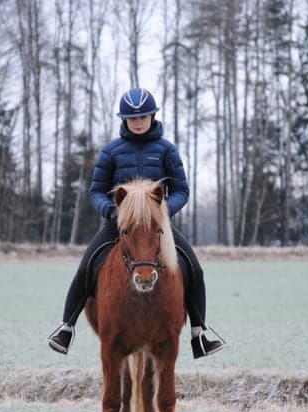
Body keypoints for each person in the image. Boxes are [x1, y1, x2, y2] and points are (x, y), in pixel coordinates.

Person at [48, 87, 226, 359]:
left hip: (156, 227)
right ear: (124, 120)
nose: (139, 121)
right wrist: (112, 212)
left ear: (152, 116)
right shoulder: (111, 152)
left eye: (143, 116)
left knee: (195, 269)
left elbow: (182, 190)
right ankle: (66, 327)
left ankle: (199, 333)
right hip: (120, 224)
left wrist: (162, 210)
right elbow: (96, 191)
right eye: (133, 118)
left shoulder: (167, 150)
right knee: (86, 267)